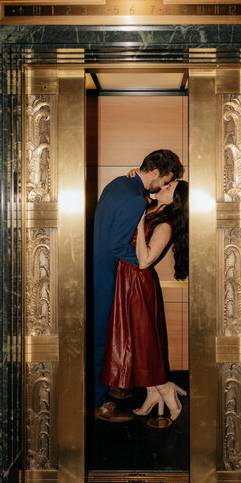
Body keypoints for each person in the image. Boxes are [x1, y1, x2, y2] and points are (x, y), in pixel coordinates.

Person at [93, 150, 182, 422]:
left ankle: (115, 384)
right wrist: (142, 262)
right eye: (165, 180)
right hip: (112, 275)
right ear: (156, 173)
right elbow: (119, 246)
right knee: (103, 338)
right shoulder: (134, 199)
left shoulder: (118, 184)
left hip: (105, 270)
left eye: (169, 186)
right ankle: (99, 402)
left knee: (120, 337)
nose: (163, 186)